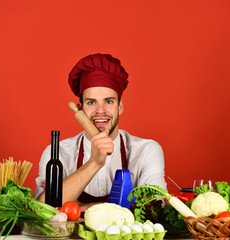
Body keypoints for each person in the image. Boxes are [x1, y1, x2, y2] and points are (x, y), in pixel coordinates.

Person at [33, 53, 167, 211]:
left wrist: (78, 206)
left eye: (109, 101)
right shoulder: (57, 154)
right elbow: (42, 209)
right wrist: (94, 163)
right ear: (81, 108)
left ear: (120, 107)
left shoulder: (147, 150)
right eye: (91, 102)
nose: (100, 111)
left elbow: (155, 205)